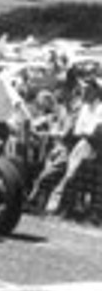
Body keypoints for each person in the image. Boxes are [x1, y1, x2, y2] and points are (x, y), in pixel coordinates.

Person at [43, 77, 102, 216]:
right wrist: (86, 133)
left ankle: (57, 204)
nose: (84, 92)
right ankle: (59, 204)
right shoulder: (84, 108)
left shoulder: (100, 108)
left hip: (95, 146)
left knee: (73, 168)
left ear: (95, 91)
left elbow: (96, 132)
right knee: (69, 168)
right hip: (83, 145)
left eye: (87, 89)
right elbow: (78, 131)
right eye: (83, 89)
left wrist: (87, 133)